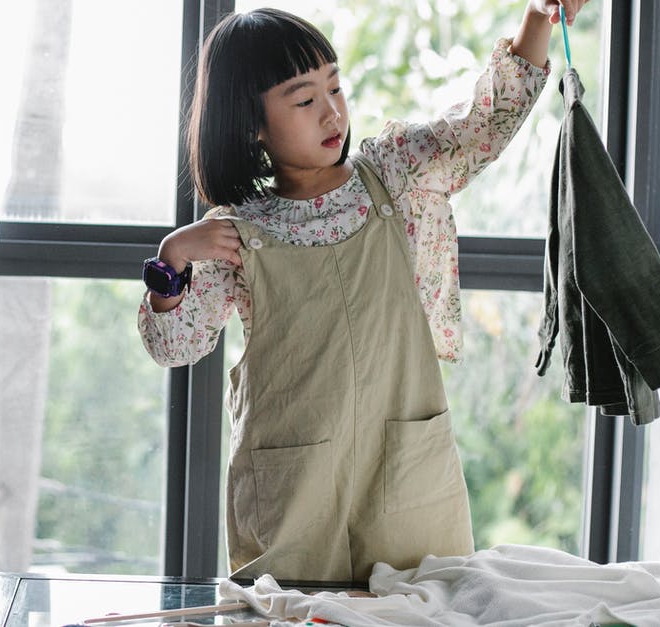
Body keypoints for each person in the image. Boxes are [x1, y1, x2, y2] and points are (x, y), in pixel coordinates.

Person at [137, 1, 587, 582]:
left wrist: (537, 15)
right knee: (292, 614)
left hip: (402, 468)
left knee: (421, 609)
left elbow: (484, 125)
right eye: (304, 100)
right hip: (292, 492)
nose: (331, 113)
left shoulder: (395, 175)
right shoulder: (236, 233)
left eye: (335, 88)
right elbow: (175, 348)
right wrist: (173, 258)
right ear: (252, 125)